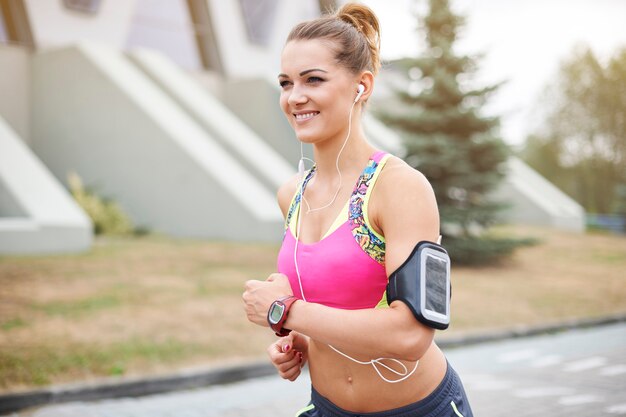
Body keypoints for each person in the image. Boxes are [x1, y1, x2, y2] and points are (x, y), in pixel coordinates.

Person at [242, 3, 473, 416]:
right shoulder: (291, 194)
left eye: (313, 79)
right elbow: (335, 306)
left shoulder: (399, 187)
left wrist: (286, 311)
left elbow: (411, 334)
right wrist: (298, 342)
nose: (296, 97)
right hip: (328, 407)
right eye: (285, 82)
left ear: (361, 85)